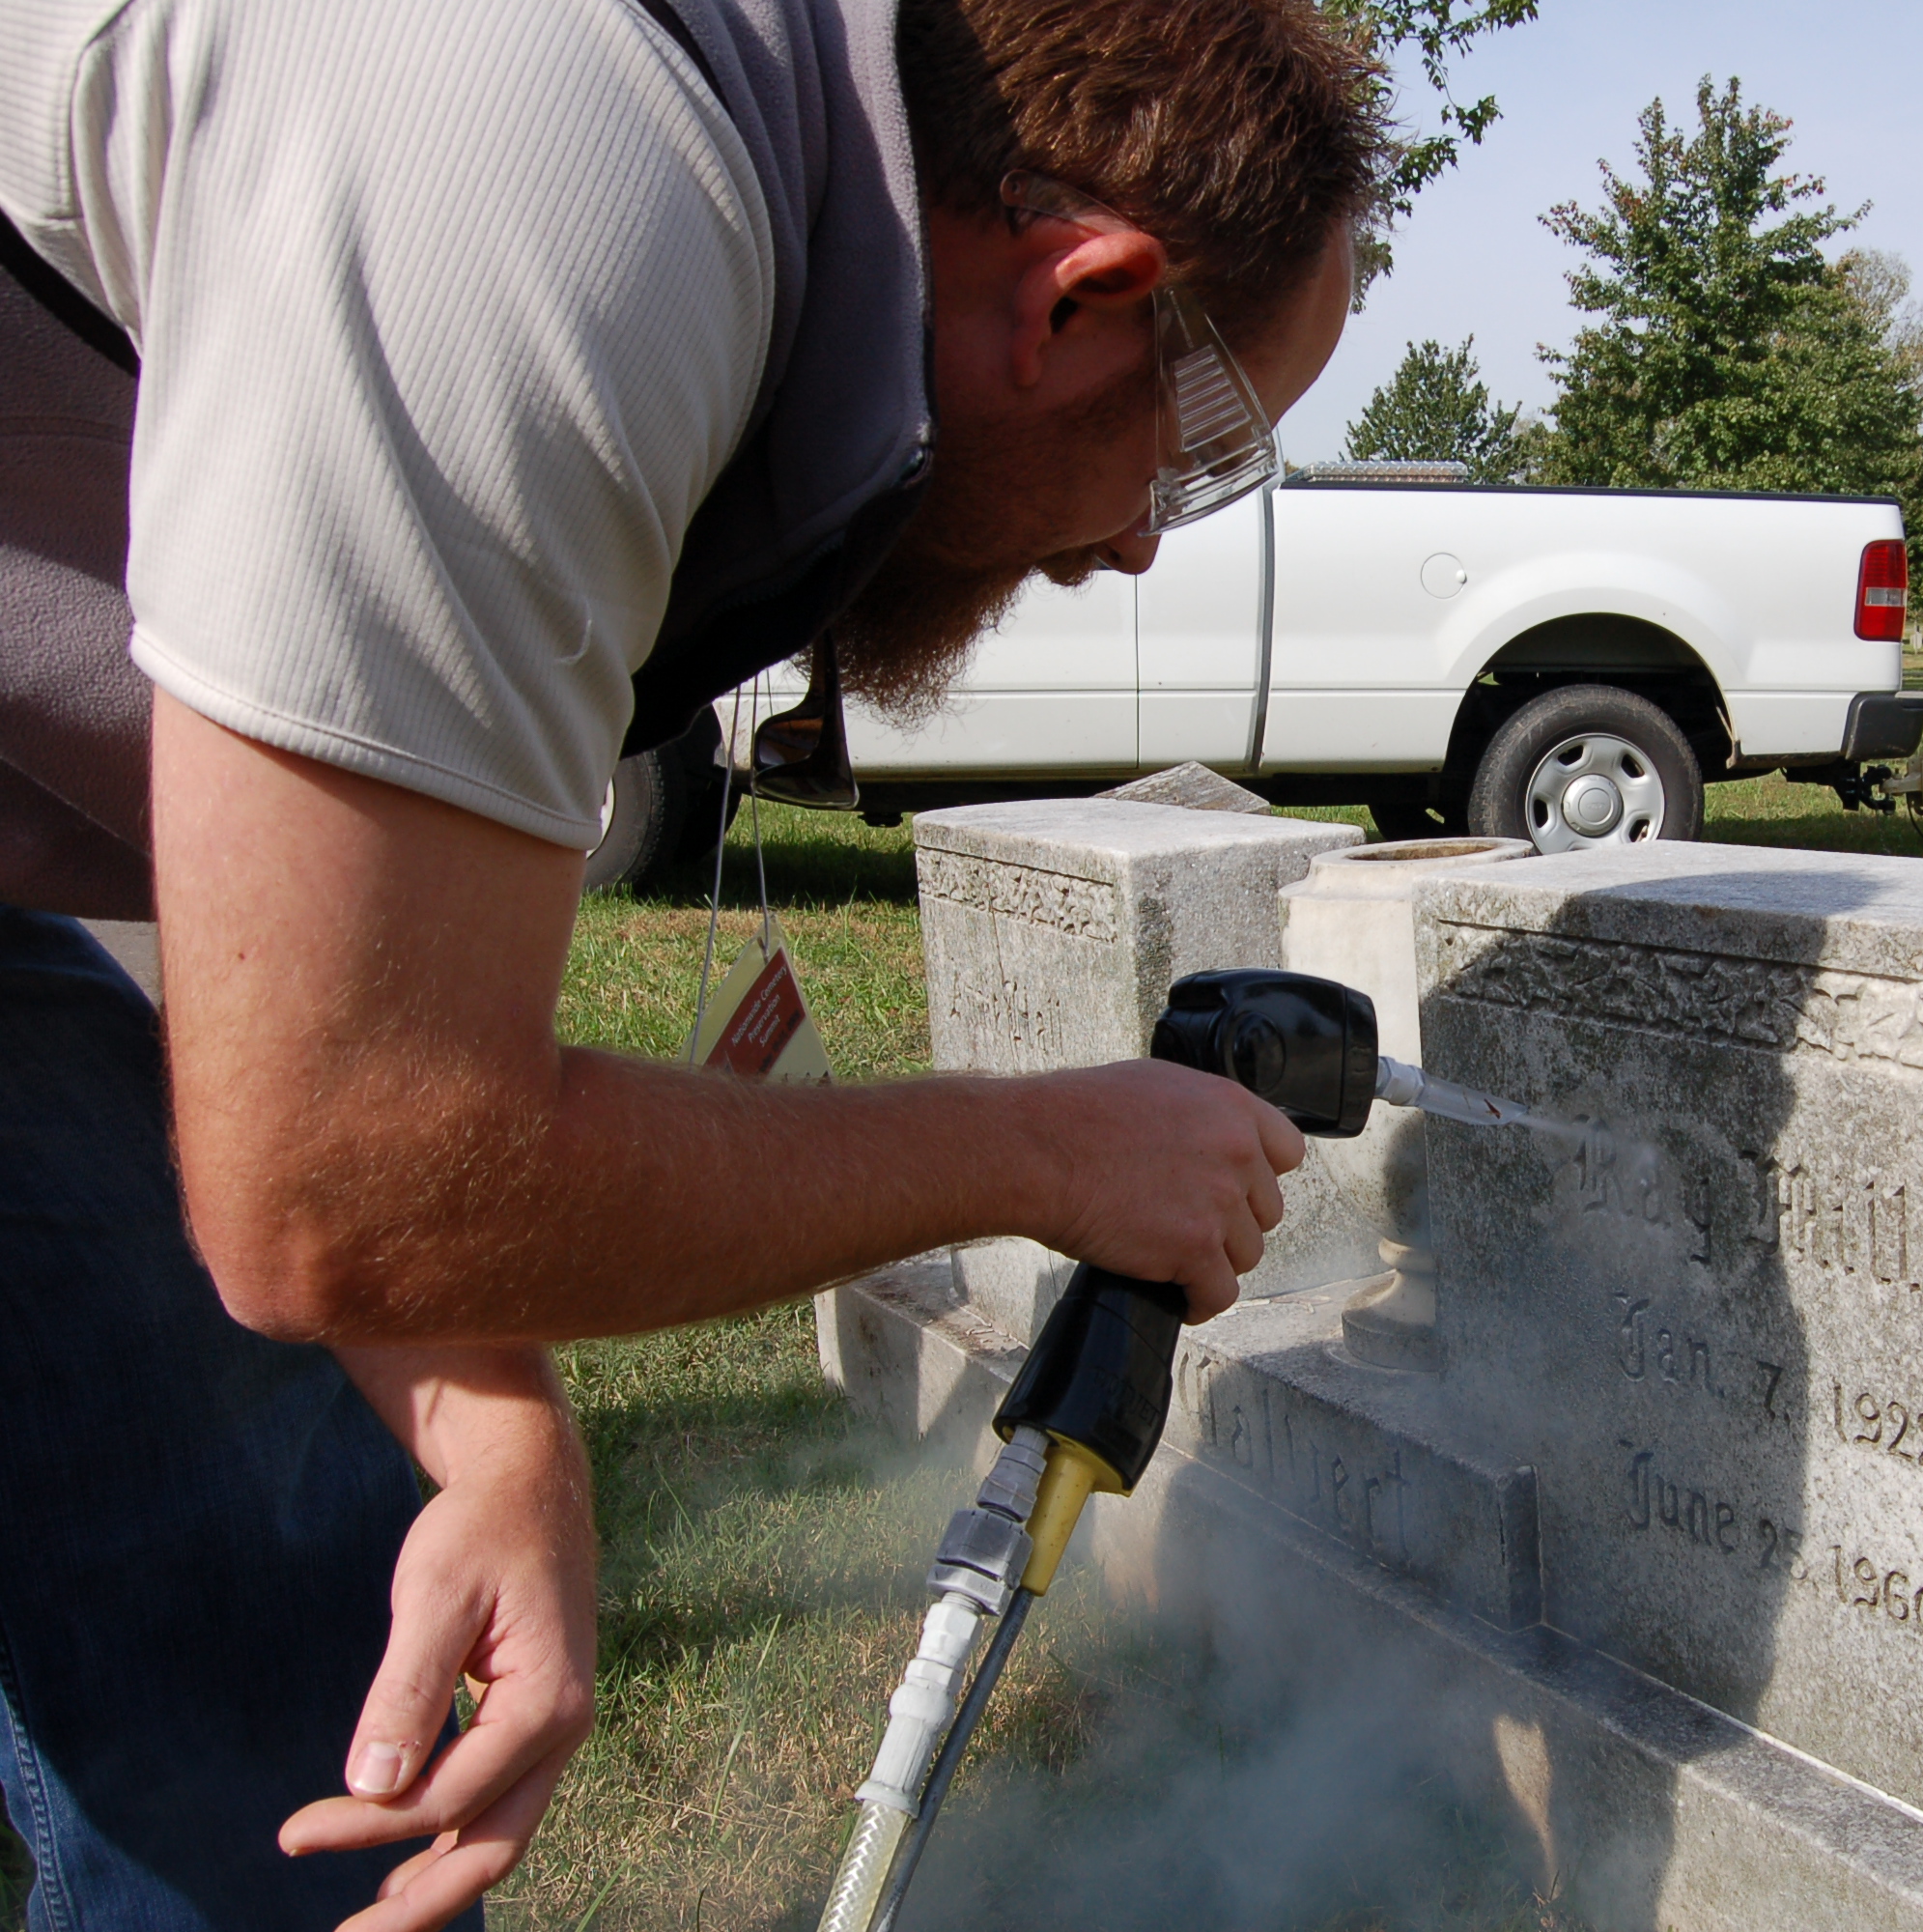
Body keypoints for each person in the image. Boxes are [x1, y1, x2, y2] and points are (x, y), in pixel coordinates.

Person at [0, 0, 1382, 1925]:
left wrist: (491, 1417)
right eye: (1207, 444)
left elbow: (325, 997)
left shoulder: (671, 173)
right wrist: (1043, 1150)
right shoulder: (558, 157)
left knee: (256, 1629)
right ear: (1079, 295)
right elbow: (333, 1181)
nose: (1146, 545)